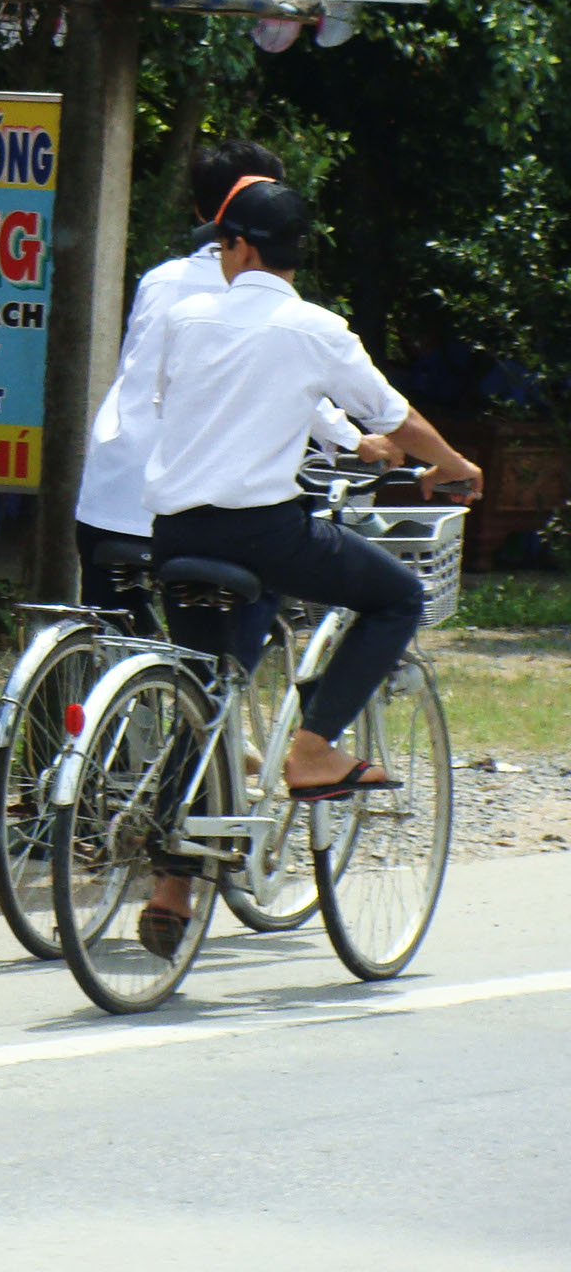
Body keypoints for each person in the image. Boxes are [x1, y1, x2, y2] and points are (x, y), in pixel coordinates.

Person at [138, 177, 483, 951]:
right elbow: (395, 417)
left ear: (239, 247)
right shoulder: (315, 328)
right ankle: (315, 748)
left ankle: (172, 889)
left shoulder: (185, 317)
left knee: (206, 692)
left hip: (174, 533)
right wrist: (454, 464)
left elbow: (177, 402)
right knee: (397, 596)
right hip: (262, 535)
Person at [80, 140, 391, 635]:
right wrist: (354, 440)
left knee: (108, 633)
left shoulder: (159, 280)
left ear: (201, 210)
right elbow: (286, 382)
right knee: (232, 632)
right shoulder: (254, 291)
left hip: (109, 487)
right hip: (190, 505)